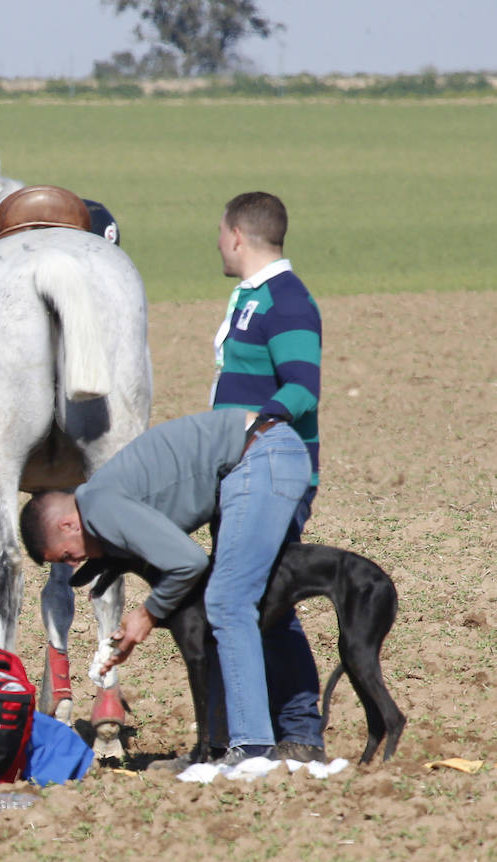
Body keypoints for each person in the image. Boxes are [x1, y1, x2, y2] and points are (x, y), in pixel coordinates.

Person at [21, 409, 311, 767]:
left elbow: (188, 562)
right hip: (260, 455)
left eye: (67, 556)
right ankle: (218, 750)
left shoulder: (99, 506)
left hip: (261, 456)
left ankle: (251, 748)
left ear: (68, 525)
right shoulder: (102, 499)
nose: (74, 564)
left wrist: (147, 614)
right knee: (222, 602)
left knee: (228, 603)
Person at [211, 191, 326, 763]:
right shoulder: (252, 298)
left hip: (273, 474)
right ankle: (290, 731)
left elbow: (303, 387)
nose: (218, 242)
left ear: (236, 234)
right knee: (262, 602)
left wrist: (252, 429)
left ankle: (299, 732)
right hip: (244, 472)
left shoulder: (287, 301)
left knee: (264, 603)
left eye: (220, 232)